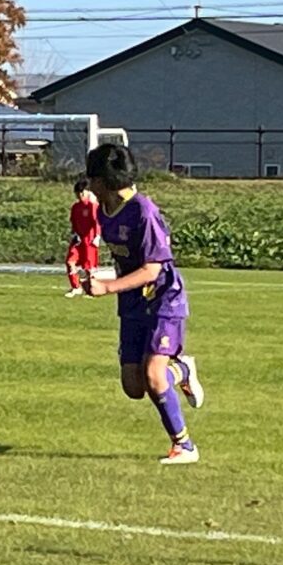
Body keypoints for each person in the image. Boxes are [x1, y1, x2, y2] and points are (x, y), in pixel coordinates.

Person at [83, 143, 204, 465]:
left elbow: (152, 269)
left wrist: (107, 287)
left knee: (154, 376)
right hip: (133, 302)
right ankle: (182, 369)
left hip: (163, 298)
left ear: (102, 180)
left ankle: (184, 446)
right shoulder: (103, 210)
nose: (88, 184)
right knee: (134, 387)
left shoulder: (143, 212)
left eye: (91, 178)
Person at [65, 178, 100, 298]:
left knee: (89, 267)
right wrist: (74, 234)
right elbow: (73, 222)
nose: (80, 195)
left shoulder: (92, 206)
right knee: (70, 261)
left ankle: (91, 290)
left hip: (89, 240)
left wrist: (97, 236)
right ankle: (76, 287)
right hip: (78, 240)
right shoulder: (75, 207)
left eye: (82, 192)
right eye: (77, 193)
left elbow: (97, 222)